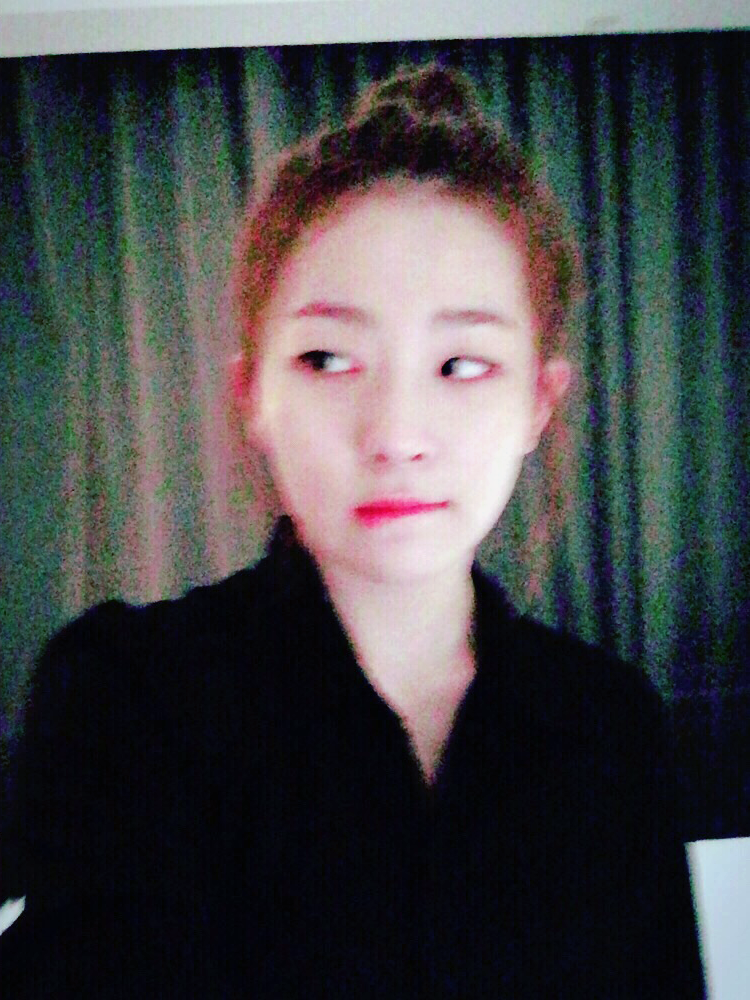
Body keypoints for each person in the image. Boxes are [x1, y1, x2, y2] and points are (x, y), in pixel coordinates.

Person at [0, 63, 705, 997]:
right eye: (329, 359)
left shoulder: (612, 727)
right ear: (251, 394)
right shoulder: (126, 698)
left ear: (540, 401)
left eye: (463, 364)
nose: (396, 434)